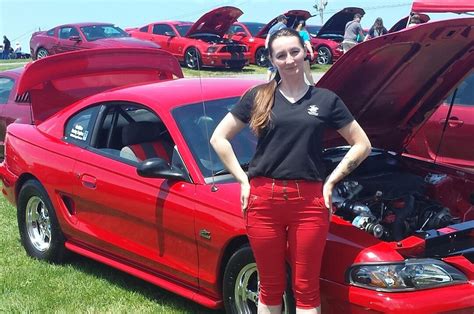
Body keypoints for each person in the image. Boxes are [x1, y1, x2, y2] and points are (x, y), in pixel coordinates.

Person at [211, 28, 371, 314]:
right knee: (270, 286)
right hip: (263, 202)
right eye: (281, 55)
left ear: (306, 53)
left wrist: (331, 182)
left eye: (294, 52)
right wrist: (242, 180)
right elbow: (218, 138)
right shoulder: (258, 97)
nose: (289, 60)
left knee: (306, 289)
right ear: (272, 60)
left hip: (310, 203)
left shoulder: (325, 100)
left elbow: (362, 144)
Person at [265, 14, 288, 81]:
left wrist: (267, 48)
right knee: (279, 64)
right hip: (278, 47)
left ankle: (267, 81)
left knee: (271, 66)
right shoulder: (283, 26)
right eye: (286, 19)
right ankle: (278, 81)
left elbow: (267, 38)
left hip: (270, 47)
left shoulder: (272, 28)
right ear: (283, 19)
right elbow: (284, 37)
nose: (286, 21)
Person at [295, 20, 315, 85]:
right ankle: (312, 84)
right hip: (302, 56)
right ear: (304, 26)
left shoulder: (292, 33)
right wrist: (311, 52)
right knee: (307, 72)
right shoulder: (304, 33)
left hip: (294, 56)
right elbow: (307, 43)